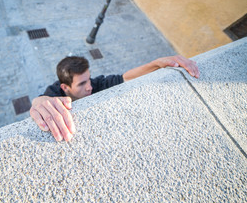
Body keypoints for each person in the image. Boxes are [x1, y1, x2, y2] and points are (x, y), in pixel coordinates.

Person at [30, 55, 199, 142]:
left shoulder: (94, 85)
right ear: (65, 88)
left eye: (89, 79)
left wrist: (157, 63)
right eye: (82, 84)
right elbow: (41, 101)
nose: (89, 86)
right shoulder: (54, 92)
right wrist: (37, 103)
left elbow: (124, 78)